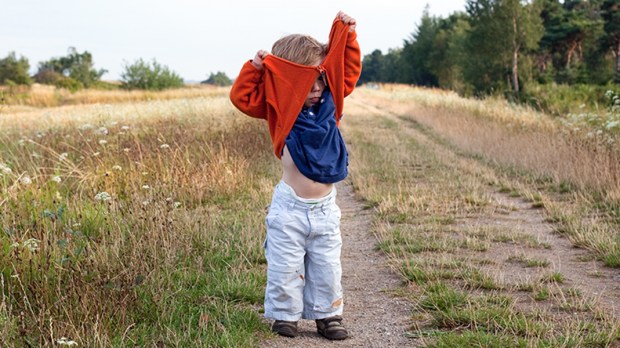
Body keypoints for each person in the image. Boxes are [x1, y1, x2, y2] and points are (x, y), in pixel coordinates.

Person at [229, 11, 361, 340]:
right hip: (289, 208)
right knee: (285, 265)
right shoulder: (280, 108)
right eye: (307, 82)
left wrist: (350, 36)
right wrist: (256, 69)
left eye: (319, 79)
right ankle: (284, 316)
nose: (316, 89)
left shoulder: (333, 102)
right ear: (288, 83)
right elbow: (241, 98)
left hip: (324, 208)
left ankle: (328, 315)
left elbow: (347, 71)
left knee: (326, 265)